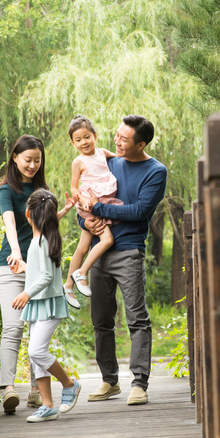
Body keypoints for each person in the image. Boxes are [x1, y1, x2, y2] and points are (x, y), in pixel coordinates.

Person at [77, 115, 168, 406]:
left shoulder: (156, 171)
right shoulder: (108, 162)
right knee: (101, 320)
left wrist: (100, 207)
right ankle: (109, 381)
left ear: (140, 144)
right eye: (116, 135)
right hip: (99, 251)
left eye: (124, 139)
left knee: (136, 319)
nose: (116, 142)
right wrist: (85, 223)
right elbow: (85, 202)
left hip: (128, 250)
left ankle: (139, 383)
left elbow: (139, 211)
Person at [0, 135, 74, 413]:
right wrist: (16, 252)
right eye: (27, 159)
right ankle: (7, 388)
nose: (32, 165)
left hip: (39, 269)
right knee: (13, 326)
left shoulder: (42, 188)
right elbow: (11, 224)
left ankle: (36, 392)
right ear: (14, 157)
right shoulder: (7, 189)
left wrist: (62, 211)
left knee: (35, 334)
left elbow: (43, 223)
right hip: (13, 266)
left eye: (37, 160)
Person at [10, 189, 82, 422]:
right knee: (36, 357)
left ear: (28, 213)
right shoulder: (43, 237)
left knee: (36, 351)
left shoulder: (43, 240)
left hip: (47, 303)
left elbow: (47, 277)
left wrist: (26, 293)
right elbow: (40, 270)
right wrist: (26, 268)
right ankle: (48, 405)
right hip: (41, 303)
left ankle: (69, 384)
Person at [63, 115, 123, 309]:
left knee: (82, 248)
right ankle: (82, 273)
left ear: (95, 136)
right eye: (78, 140)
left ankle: (68, 286)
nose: (83, 142)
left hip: (103, 203)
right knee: (107, 240)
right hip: (90, 206)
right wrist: (84, 199)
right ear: (73, 142)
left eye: (87, 137)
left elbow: (121, 159)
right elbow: (73, 188)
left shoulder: (103, 153)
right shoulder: (78, 162)